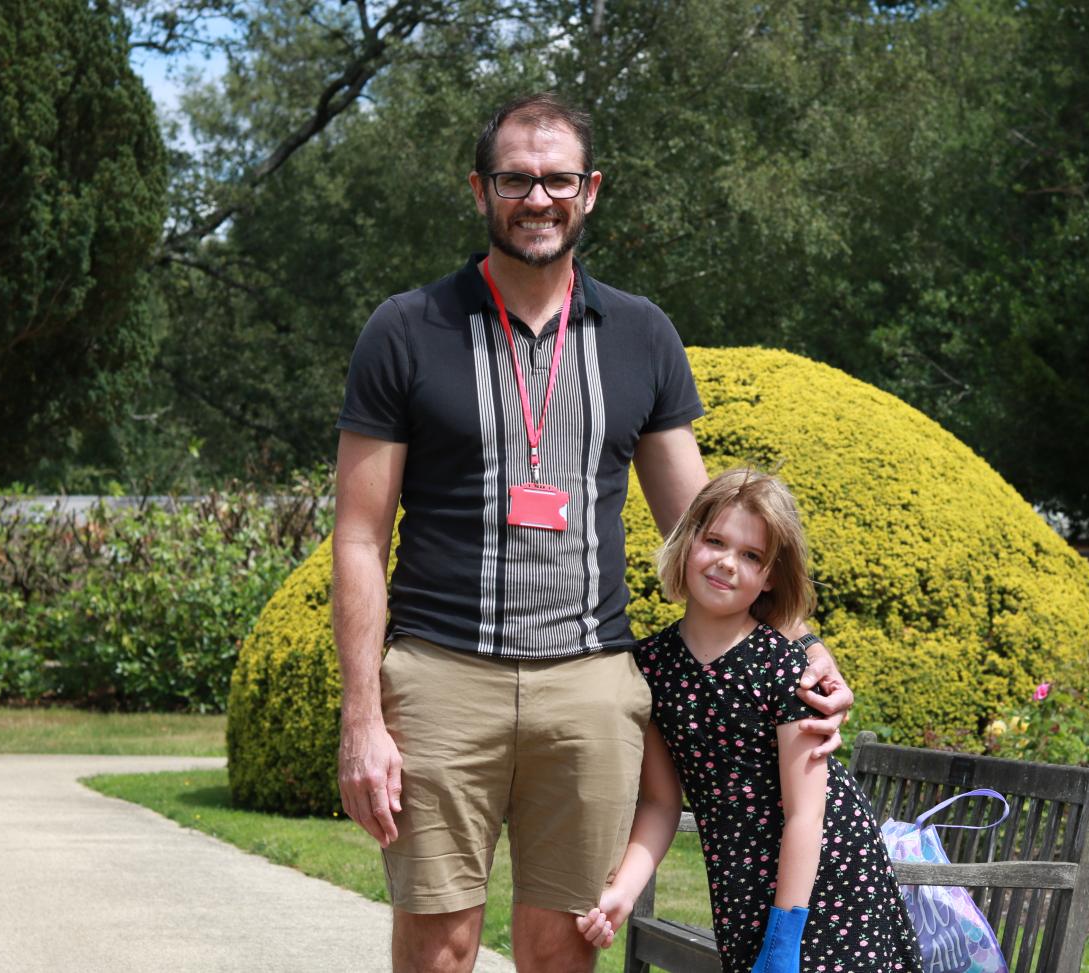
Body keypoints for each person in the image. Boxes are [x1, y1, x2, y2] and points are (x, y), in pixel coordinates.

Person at [331, 93, 854, 973]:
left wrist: (803, 650)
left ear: (591, 189)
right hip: (441, 678)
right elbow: (357, 535)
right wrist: (361, 718)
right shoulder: (406, 329)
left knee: (563, 951)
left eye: (558, 179)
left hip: (589, 688)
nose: (538, 199)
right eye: (516, 179)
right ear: (479, 190)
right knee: (440, 948)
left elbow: (715, 540)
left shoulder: (642, 334)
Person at [576, 469, 921, 972]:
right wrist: (622, 893)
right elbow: (659, 801)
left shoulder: (786, 668)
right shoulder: (649, 667)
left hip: (825, 879)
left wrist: (785, 936)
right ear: (688, 539)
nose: (727, 563)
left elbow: (807, 813)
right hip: (740, 884)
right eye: (715, 541)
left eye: (751, 555)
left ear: (771, 576)